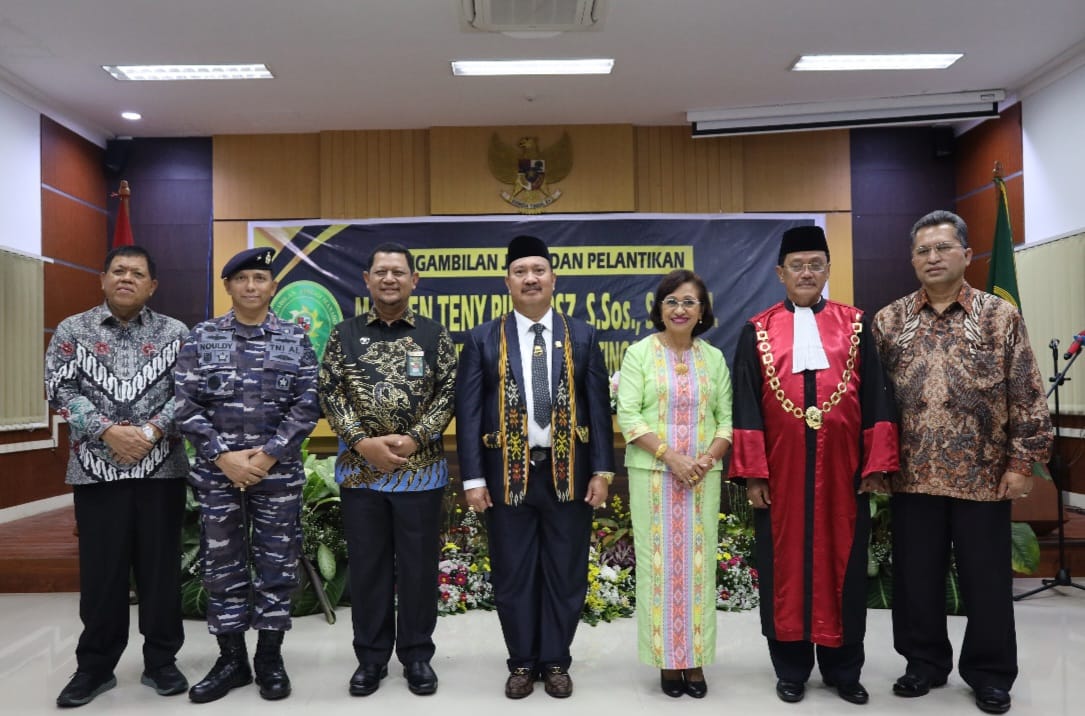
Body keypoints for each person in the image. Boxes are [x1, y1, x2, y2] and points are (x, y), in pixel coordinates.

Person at [873, 210, 1052, 715]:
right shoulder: (889, 321)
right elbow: (876, 402)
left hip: (984, 476)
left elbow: (1026, 391)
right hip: (912, 476)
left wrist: (1022, 462)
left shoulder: (999, 316)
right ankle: (924, 664)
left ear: (967, 254)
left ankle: (990, 674)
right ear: (912, 260)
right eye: (923, 250)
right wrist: (877, 464)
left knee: (986, 582)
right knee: (916, 579)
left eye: (943, 247)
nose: (932, 257)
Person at [729, 225, 899, 706]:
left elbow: (876, 396)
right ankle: (791, 669)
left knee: (844, 566)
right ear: (780, 273)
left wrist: (875, 463)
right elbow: (746, 405)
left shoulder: (856, 326)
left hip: (844, 473)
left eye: (815, 265)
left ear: (827, 270)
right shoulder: (757, 330)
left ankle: (844, 670)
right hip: (780, 476)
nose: (806, 273)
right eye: (797, 266)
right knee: (783, 569)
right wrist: (754, 474)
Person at [456, 235, 615, 699]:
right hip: (506, 477)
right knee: (513, 574)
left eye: (538, 270)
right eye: (520, 272)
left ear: (553, 279)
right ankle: (523, 662)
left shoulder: (582, 335)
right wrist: (473, 479)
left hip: (570, 474)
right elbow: (468, 413)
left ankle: (556, 661)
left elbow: (598, 410)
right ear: (507, 282)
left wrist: (602, 471)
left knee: (566, 573)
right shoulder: (483, 338)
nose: (530, 279)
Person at [174, 247, 320, 703]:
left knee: (277, 564)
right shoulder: (203, 337)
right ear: (229, 286)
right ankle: (232, 660)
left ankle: (270, 658)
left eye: (260, 278)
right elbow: (185, 404)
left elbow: (307, 405)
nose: (251, 286)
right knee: (222, 565)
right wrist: (223, 457)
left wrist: (269, 456)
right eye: (242, 279)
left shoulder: (294, 338)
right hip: (219, 475)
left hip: (277, 476)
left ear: (273, 286)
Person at [46, 245, 190, 708]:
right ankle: (94, 668)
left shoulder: (176, 333)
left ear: (153, 286)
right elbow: (59, 388)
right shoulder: (73, 330)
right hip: (96, 473)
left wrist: (150, 432)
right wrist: (108, 431)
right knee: (102, 574)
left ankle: (162, 662)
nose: (127, 278)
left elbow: (188, 393)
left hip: (161, 470)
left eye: (137, 273)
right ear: (103, 278)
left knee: (160, 572)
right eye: (119, 270)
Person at [318, 243, 457, 697]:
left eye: (398, 272)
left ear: (414, 280)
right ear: (367, 280)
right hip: (361, 475)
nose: (389, 279)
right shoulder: (344, 334)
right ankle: (371, 658)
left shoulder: (435, 335)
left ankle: (417, 655)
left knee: (418, 569)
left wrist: (417, 437)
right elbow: (331, 392)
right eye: (381, 272)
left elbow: (449, 392)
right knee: (368, 568)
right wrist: (362, 442)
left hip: (421, 474)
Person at [615, 269, 732, 699]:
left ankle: (695, 659)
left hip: (702, 478)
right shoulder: (639, 354)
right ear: (659, 309)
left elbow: (726, 421)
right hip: (654, 477)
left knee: (699, 570)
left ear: (702, 311)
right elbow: (629, 416)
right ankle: (667, 660)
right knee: (659, 569)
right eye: (671, 301)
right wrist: (672, 457)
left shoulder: (713, 358)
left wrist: (705, 459)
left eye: (689, 302)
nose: (680, 309)